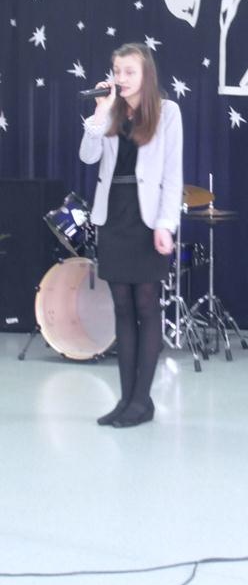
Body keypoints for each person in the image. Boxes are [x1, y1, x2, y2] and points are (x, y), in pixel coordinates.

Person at [79, 42, 183, 428]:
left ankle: (142, 400)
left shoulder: (167, 112)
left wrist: (165, 224)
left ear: (145, 74)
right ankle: (126, 400)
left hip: (147, 217)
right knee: (121, 307)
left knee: (146, 305)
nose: (121, 78)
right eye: (117, 71)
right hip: (113, 215)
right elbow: (88, 157)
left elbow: (172, 174)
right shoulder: (109, 110)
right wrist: (99, 113)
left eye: (129, 71)